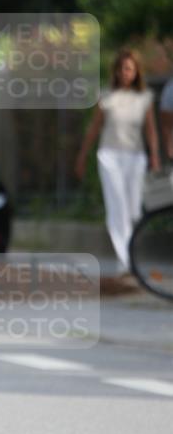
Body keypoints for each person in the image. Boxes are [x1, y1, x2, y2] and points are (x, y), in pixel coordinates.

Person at [75, 49, 160, 278]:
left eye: (130, 68)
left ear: (136, 72)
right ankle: (126, 260)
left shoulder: (144, 98)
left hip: (136, 157)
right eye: (122, 68)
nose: (126, 73)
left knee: (133, 209)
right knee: (117, 208)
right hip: (109, 156)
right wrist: (82, 155)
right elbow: (94, 129)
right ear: (116, 71)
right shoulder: (106, 97)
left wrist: (155, 156)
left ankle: (132, 253)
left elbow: (150, 130)